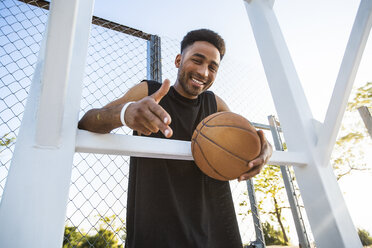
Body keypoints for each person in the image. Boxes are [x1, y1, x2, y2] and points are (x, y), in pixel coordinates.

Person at [78, 29, 272, 248]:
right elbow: (86, 122)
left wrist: (264, 151)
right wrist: (125, 113)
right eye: (197, 61)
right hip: (157, 229)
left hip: (214, 229)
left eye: (212, 67)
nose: (203, 72)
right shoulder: (148, 91)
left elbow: (253, 140)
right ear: (179, 60)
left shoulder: (215, 105)